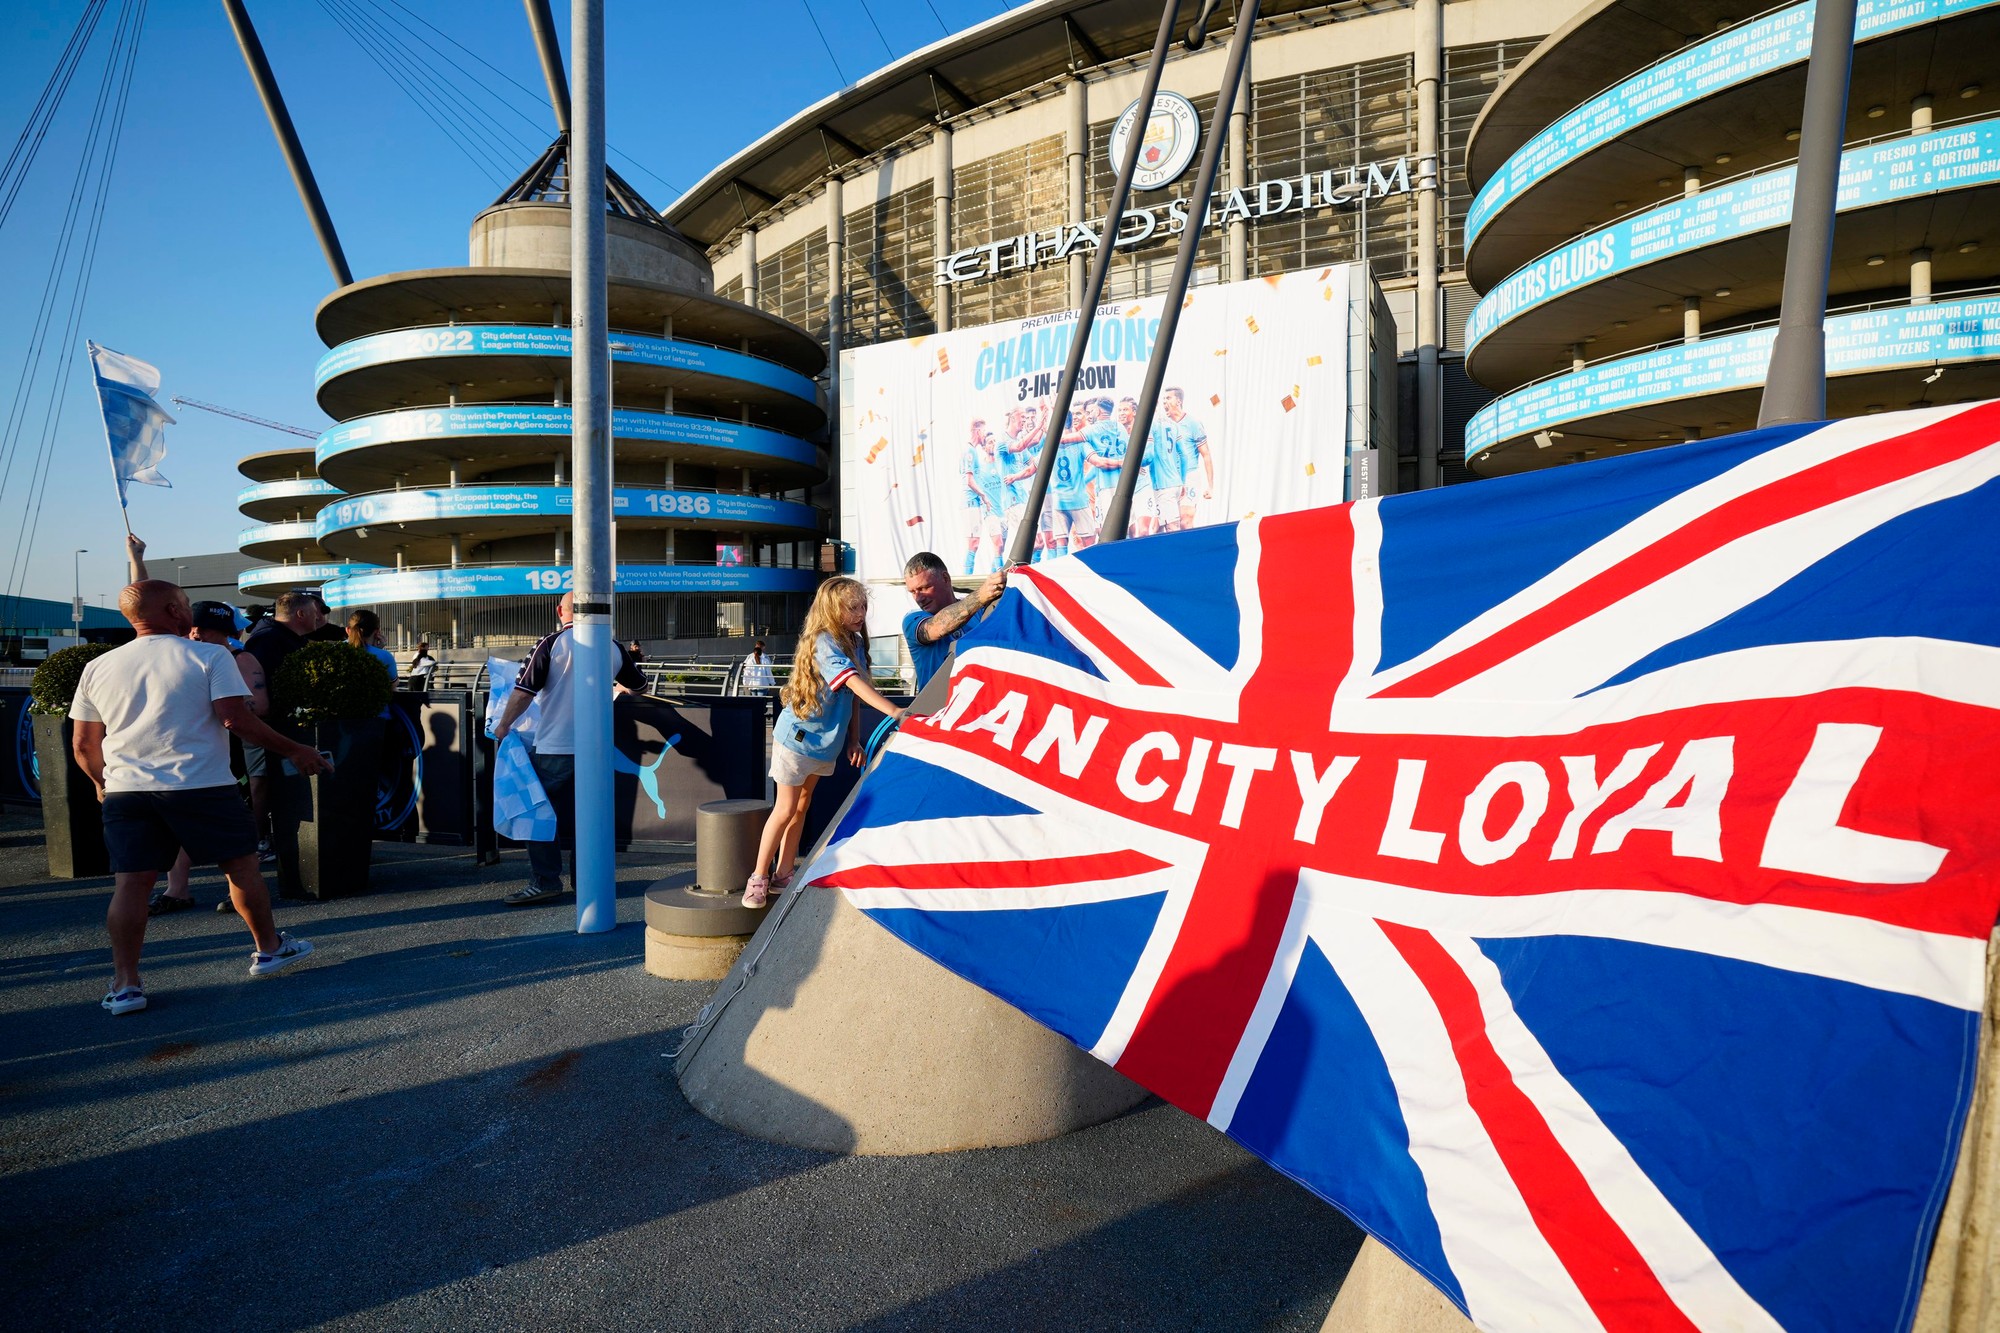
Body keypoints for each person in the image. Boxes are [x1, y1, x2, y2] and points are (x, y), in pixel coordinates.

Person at [72, 580, 330, 1015]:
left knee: (131, 884)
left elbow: (83, 744)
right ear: (174, 610)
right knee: (242, 869)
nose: (189, 611)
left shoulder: (98, 666)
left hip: (127, 790)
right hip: (202, 784)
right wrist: (296, 749)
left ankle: (125, 984)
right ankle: (269, 949)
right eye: (187, 604)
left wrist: (101, 783)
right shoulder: (210, 656)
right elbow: (235, 719)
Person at [746, 577, 904, 908]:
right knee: (786, 807)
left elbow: (853, 698)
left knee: (803, 806)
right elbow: (850, 681)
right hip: (798, 739)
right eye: (852, 607)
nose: (860, 613)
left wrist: (854, 741)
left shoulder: (854, 643)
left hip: (825, 743)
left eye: (863, 606)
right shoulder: (825, 641)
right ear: (833, 610)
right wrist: (893, 710)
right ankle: (759, 876)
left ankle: (784, 872)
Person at [488, 591, 646, 907]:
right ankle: (587, 879)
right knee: (589, 815)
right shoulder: (612, 647)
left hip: (554, 746)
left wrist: (503, 726)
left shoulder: (551, 644)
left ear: (560, 610)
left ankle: (546, 881)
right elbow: (639, 686)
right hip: (598, 750)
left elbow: (523, 693)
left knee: (537, 812)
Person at [148, 599, 270, 916]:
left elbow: (259, 706)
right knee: (177, 822)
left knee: (235, 831)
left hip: (232, 755)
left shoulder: (239, 659)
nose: (197, 636)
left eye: (207, 631)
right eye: (193, 630)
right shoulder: (178, 659)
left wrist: (222, 705)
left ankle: (241, 893)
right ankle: (177, 890)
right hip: (190, 755)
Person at [241, 589, 329, 863]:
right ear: (301, 614)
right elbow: (259, 692)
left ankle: (273, 838)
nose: (319, 619)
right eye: (315, 614)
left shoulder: (286, 638)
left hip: (282, 725)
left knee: (273, 781)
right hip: (265, 727)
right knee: (262, 782)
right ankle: (257, 842)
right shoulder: (267, 640)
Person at [902, 551, 1007, 693]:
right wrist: (981, 596)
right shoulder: (912, 620)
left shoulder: (982, 610)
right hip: (937, 711)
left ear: (945, 578)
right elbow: (937, 628)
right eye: (913, 592)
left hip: (980, 706)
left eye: (924, 588)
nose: (919, 598)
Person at [1162, 387, 1214, 529]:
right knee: (1171, 524)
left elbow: (1206, 454)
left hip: (1190, 475)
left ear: (1178, 401)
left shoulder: (1193, 423)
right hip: (1170, 478)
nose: (1164, 401)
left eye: (1168, 398)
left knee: (1185, 520)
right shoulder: (1163, 425)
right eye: (1163, 399)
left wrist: (1210, 486)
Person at [347, 610, 397, 713]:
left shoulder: (335, 651)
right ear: (377, 632)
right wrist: (378, 650)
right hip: (377, 718)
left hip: (340, 718)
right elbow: (392, 685)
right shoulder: (384, 656)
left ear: (348, 630)